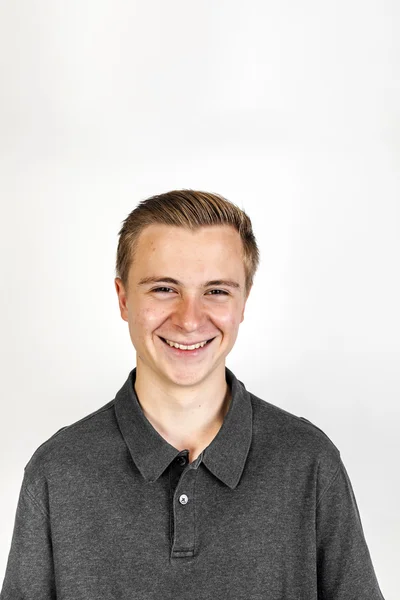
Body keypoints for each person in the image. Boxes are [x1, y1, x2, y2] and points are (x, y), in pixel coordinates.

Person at [1, 190, 385, 599]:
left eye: (216, 291)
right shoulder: (57, 472)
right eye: (165, 289)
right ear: (123, 298)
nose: (189, 319)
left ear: (243, 303)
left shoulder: (310, 462)